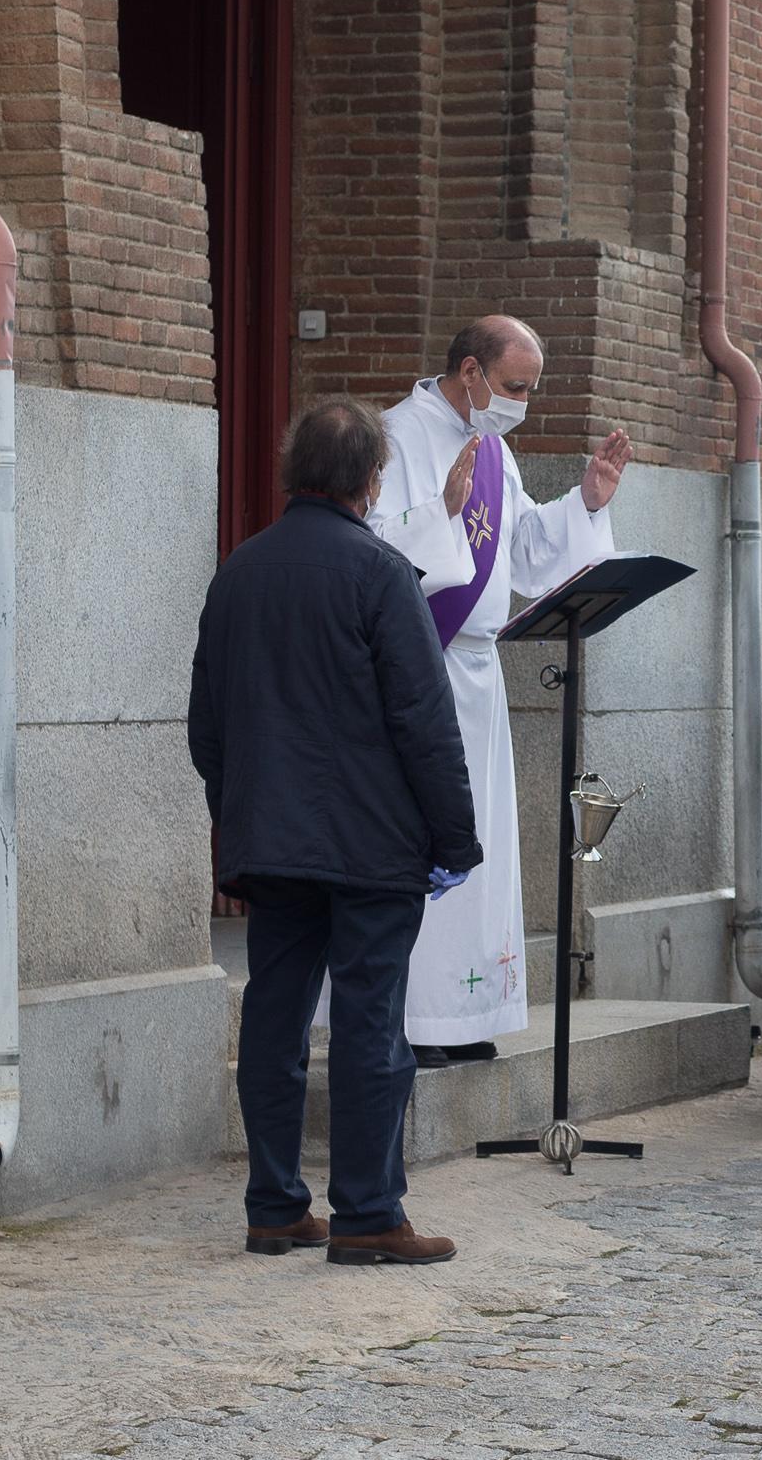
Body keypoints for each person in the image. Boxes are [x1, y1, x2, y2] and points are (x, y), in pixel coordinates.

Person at [190, 401, 482, 1266]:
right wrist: (455, 839)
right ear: (372, 481)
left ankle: (274, 1206)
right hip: (370, 847)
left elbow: (207, 724)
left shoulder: (238, 572)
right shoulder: (382, 574)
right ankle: (366, 1214)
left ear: (294, 471)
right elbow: (425, 723)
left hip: (274, 842)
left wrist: (239, 805)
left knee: (275, 1022)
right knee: (368, 1027)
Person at [369, 317, 631, 1066]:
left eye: (531, 390)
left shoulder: (498, 454)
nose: (522, 403)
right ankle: (414, 1019)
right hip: (419, 667)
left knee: (475, 844)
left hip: (479, 674)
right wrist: (440, 518)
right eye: (514, 387)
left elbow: (521, 554)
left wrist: (585, 502)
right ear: (470, 371)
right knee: (422, 840)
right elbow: (371, 546)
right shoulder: (393, 437)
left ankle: (461, 1013)